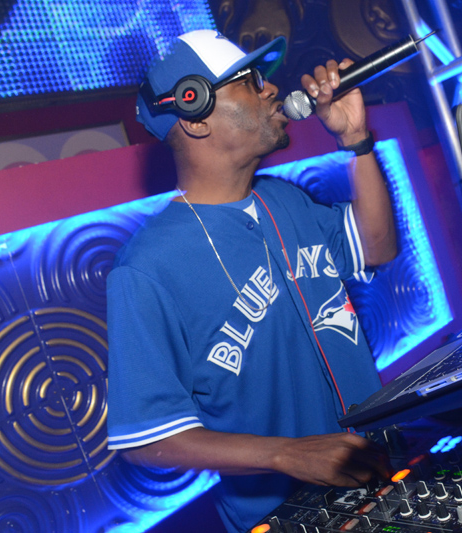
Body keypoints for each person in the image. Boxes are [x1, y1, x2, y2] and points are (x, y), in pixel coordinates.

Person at [105, 29, 398, 533]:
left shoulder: (284, 198)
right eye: (250, 81)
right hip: (290, 518)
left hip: (385, 478)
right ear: (194, 110)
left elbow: (377, 247)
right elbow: (146, 439)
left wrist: (357, 142)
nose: (271, 89)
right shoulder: (146, 268)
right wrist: (287, 454)